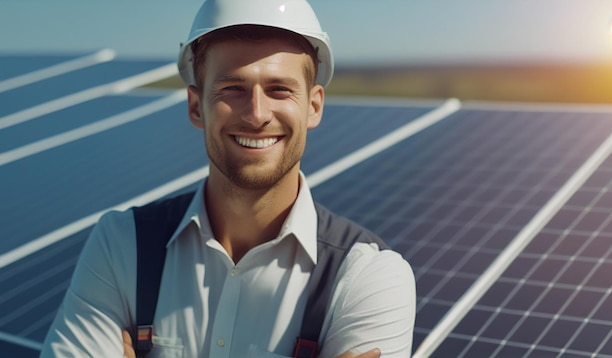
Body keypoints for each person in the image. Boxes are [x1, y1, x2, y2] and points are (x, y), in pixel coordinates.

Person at [41, 0, 416, 357]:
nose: (256, 114)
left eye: (279, 89)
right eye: (232, 89)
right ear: (195, 106)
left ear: (313, 106)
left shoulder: (370, 278)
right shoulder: (120, 246)